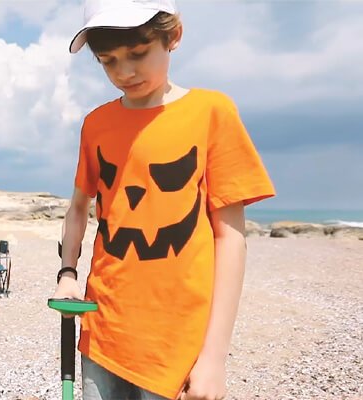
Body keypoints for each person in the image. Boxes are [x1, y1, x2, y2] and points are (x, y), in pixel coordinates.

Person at [53, 1, 276, 399]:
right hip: (102, 330)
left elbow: (230, 238)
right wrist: (67, 274)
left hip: (176, 343)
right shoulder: (96, 124)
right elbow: (79, 207)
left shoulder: (211, 112)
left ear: (172, 36)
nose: (124, 72)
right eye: (108, 61)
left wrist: (214, 358)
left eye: (138, 53)